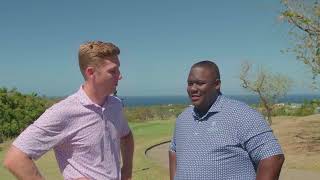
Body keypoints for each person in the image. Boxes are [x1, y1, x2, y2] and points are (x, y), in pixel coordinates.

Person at [3, 41, 134, 180]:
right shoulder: (64, 112)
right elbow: (15, 159)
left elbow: (126, 136)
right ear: (91, 72)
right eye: (112, 71)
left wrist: (127, 171)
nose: (120, 76)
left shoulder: (115, 104)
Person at [169, 60, 284, 180]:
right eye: (190, 83)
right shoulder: (183, 118)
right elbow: (173, 150)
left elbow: (273, 157)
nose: (193, 89)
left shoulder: (242, 114)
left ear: (217, 84)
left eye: (200, 83)